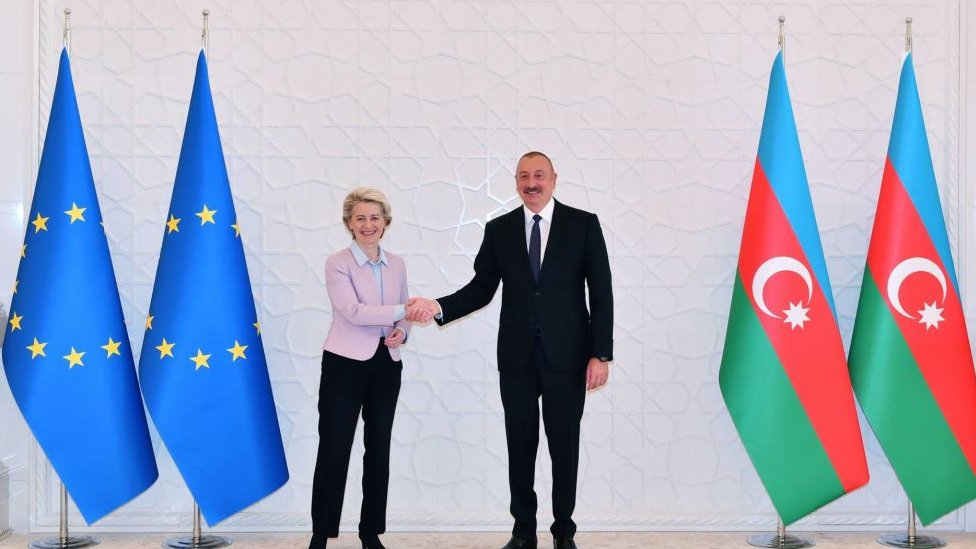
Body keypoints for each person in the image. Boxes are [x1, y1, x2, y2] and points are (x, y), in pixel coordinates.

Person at [408, 151, 613, 549]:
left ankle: (563, 533)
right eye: (523, 176)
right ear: (516, 182)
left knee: (564, 447)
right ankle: (523, 533)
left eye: (539, 175)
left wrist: (600, 354)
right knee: (520, 446)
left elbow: (600, 292)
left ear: (554, 178)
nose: (531, 182)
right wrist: (439, 306)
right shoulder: (499, 229)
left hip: (568, 358)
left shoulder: (583, 225)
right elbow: (481, 289)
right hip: (517, 358)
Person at [310, 187, 411, 549]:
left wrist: (403, 330)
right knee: (335, 448)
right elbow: (352, 312)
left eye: (375, 217)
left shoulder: (397, 263)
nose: (368, 224)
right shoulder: (337, 263)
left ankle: (371, 534)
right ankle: (321, 534)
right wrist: (404, 311)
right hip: (343, 365)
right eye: (360, 218)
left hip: (387, 364)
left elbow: (402, 313)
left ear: (385, 222)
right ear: (349, 224)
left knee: (378, 449)